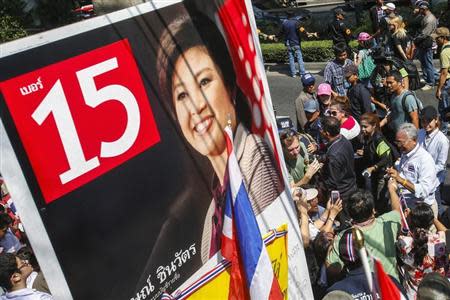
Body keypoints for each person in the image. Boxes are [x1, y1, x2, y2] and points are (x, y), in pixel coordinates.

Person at [157, 12, 284, 263]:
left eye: (204, 82)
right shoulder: (210, 218)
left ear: (229, 86)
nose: (195, 106)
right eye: (182, 95)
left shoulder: (255, 159)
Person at [327, 189, 402, 280]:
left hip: (365, 290)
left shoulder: (344, 237)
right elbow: (397, 211)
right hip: (393, 288)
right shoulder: (387, 222)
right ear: (373, 210)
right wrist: (392, 189)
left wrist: (330, 247)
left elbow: (332, 270)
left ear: (350, 214)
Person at [396, 203, 449, 298]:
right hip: (438, 291)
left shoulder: (404, 242)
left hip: (414, 294)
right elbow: (445, 231)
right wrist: (431, 218)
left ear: (411, 221)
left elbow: (402, 234)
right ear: (431, 222)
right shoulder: (440, 240)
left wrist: (406, 218)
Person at [386, 123, 439, 216]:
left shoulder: (425, 160)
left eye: (401, 142)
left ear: (414, 140)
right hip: (407, 206)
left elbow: (424, 191)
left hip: (423, 213)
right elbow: (406, 173)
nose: (398, 146)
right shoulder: (405, 152)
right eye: (397, 142)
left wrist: (400, 180)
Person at [357, 113, 395, 214]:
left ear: (374, 126)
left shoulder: (379, 139)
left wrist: (372, 168)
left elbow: (385, 158)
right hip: (374, 173)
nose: (363, 129)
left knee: (380, 198)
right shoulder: (367, 136)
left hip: (382, 174)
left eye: (365, 127)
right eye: (362, 126)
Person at [417, 106, 449, 214]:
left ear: (436, 120)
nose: (426, 125)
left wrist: (426, 172)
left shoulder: (442, 140)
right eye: (423, 121)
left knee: (436, 206)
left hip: (435, 180)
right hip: (420, 178)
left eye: (429, 121)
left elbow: (441, 165)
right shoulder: (420, 133)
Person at [320, 116, 357, 202]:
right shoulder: (344, 139)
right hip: (351, 185)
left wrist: (319, 181)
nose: (320, 131)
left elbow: (332, 182)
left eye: (321, 129)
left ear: (327, 133)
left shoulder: (333, 156)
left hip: (342, 195)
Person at [415, 1, 438, 90]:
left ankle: (431, 82)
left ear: (423, 9)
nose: (418, 10)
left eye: (420, 9)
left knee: (428, 64)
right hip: (424, 43)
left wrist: (415, 39)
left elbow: (424, 34)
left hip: (427, 43)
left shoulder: (430, 19)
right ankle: (428, 78)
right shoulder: (425, 17)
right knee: (424, 63)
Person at [279, 10, 307, 78]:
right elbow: (301, 30)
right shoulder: (297, 22)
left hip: (288, 43)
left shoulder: (284, 23)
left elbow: (280, 33)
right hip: (296, 42)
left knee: (291, 58)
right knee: (299, 58)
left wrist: (276, 37)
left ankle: (293, 73)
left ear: (287, 16)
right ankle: (302, 73)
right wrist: (307, 33)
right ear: (293, 15)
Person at [433, 27, 450, 134]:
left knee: (444, 108)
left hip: (448, 82)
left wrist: (438, 89)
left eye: (437, 38)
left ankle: (443, 130)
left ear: (443, 38)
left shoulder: (444, 52)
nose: (435, 40)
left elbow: (444, 73)